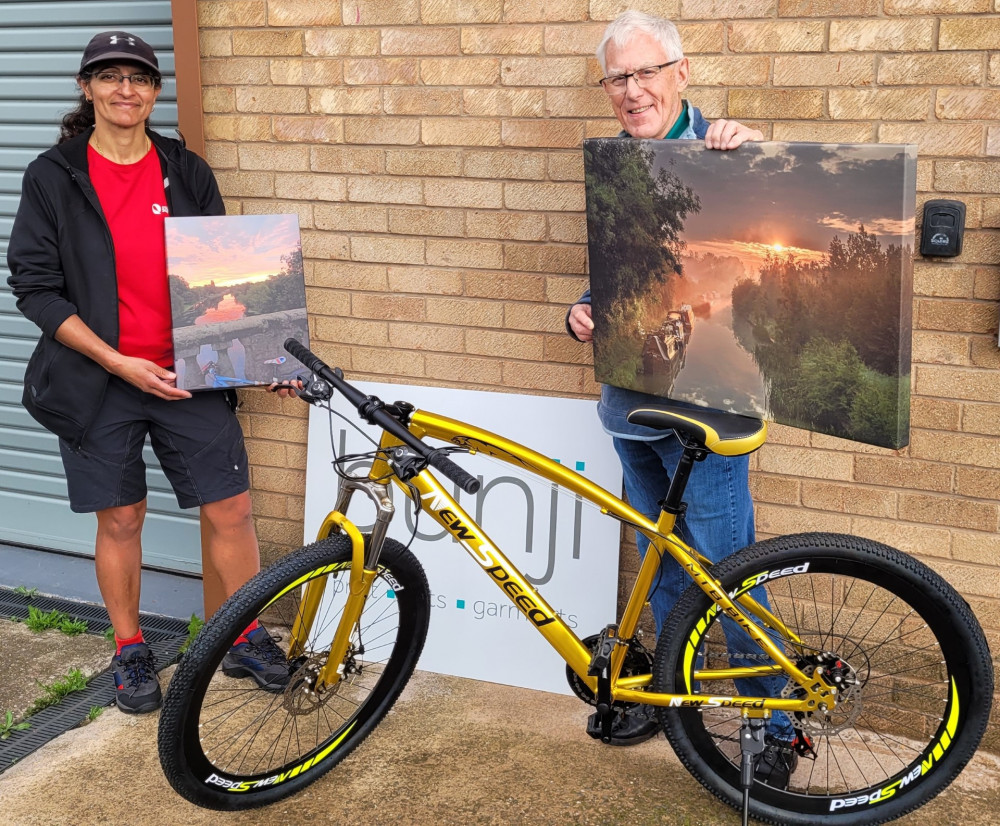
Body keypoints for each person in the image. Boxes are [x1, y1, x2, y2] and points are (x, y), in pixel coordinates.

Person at [7, 31, 293, 714]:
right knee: (122, 517)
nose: (124, 90)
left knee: (231, 507)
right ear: (87, 89)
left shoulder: (183, 169)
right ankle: (130, 649)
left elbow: (220, 269)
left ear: (155, 90)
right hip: (98, 381)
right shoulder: (55, 175)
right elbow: (35, 288)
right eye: (109, 77)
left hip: (185, 373)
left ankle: (244, 635)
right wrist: (115, 361)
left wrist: (262, 357)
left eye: (138, 78)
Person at [566, 11, 797, 787]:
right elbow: (620, 278)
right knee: (661, 569)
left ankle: (775, 726)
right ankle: (678, 701)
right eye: (617, 79)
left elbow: (780, 238)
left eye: (645, 74)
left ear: (681, 72)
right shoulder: (615, 169)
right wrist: (582, 310)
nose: (633, 92)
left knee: (730, 572)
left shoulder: (725, 151)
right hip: (632, 407)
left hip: (710, 413)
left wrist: (754, 158)